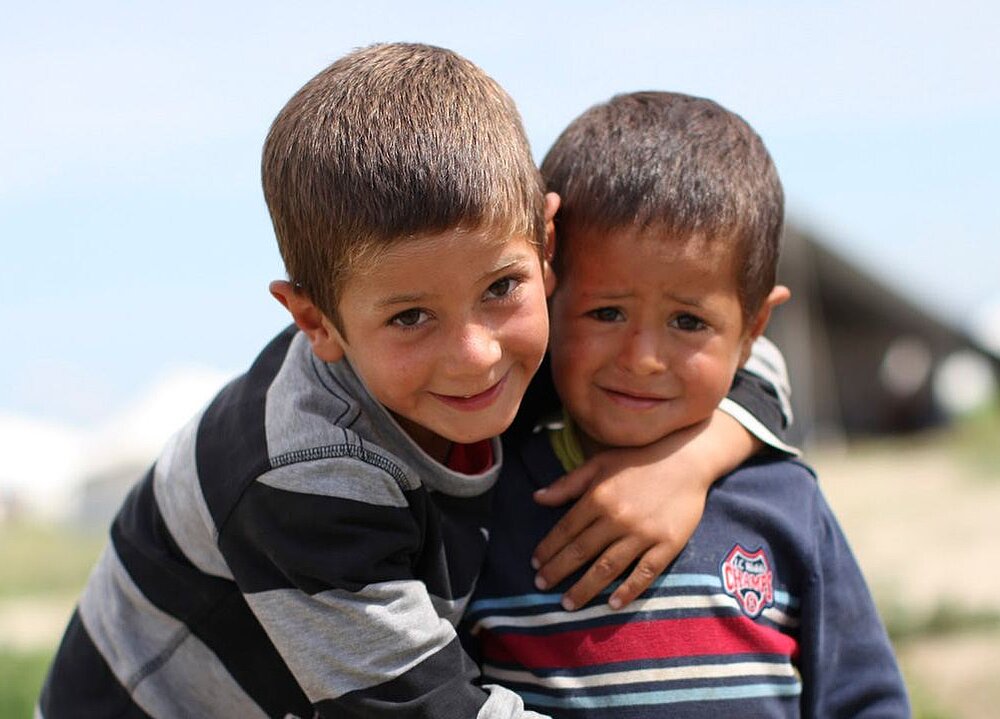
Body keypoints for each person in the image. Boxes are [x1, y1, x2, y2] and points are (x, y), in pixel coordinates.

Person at [37, 45, 789, 718]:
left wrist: (686, 463)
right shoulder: (307, 472)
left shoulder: (535, 347)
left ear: (546, 246)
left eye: (501, 287)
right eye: (409, 318)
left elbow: (748, 357)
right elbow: (427, 708)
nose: (475, 354)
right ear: (316, 320)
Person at [463, 91, 910, 717]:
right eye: (606, 312)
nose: (643, 356)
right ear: (545, 291)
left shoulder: (785, 501)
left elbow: (863, 698)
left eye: (688, 322)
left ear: (754, 329)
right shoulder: (486, 497)